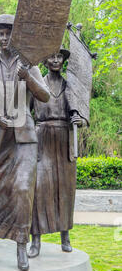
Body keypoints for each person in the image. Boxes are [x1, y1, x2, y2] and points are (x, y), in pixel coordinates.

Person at [0, 14, 50, 271]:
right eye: (0, 34)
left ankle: (20, 245)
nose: (4, 38)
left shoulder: (29, 64)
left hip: (24, 137)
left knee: (22, 191)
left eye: (9, 33)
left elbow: (45, 96)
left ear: (16, 35)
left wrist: (27, 76)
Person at [28, 49, 85, 258]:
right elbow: (25, 112)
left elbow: (83, 113)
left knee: (66, 190)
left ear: (63, 60)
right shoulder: (37, 84)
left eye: (59, 57)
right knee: (39, 189)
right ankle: (36, 240)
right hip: (42, 137)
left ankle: (65, 236)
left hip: (65, 138)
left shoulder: (70, 85)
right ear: (44, 61)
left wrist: (82, 120)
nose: (55, 60)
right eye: (51, 56)